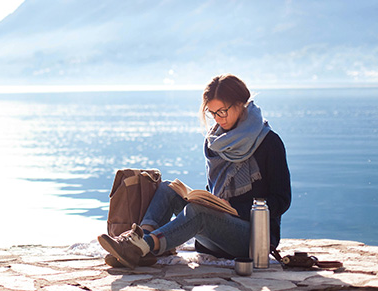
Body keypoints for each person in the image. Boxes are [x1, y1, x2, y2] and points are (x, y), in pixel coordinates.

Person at [98, 74, 292, 269]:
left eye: (223, 111)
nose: (218, 118)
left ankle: (141, 247)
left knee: (197, 212)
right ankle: (140, 241)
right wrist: (207, 200)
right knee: (168, 189)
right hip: (216, 231)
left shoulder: (269, 142)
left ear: (241, 103)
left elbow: (282, 201)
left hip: (252, 239)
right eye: (212, 113)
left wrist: (234, 207)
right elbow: (215, 187)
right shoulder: (214, 143)